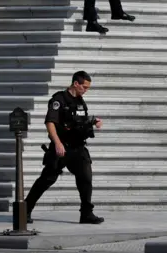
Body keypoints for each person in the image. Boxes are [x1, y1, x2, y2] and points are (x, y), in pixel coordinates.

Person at [24, 71, 104, 224]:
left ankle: (86, 214)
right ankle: (24, 210)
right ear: (76, 84)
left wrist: (94, 121)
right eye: (84, 87)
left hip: (78, 148)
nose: (86, 90)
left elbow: (79, 120)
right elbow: (50, 122)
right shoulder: (58, 100)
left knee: (86, 179)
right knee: (46, 179)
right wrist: (58, 143)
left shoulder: (80, 101)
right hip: (61, 147)